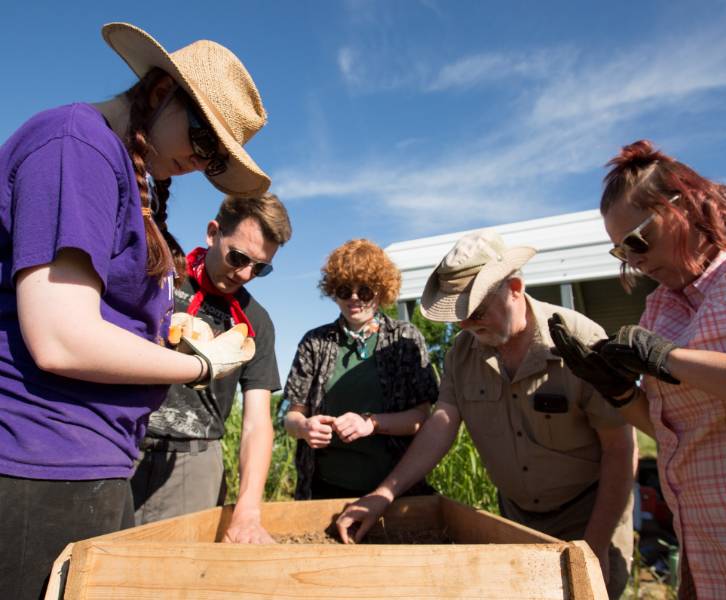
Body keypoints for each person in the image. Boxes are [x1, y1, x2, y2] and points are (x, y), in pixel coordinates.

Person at [0, 23, 268, 599]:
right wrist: (203, 366)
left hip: (94, 456)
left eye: (217, 157)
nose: (203, 161)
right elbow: (61, 338)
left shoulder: (124, 170)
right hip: (40, 456)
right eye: (204, 140)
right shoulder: (76, 145)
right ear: (160, 91)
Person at [548, 140, 726, 598]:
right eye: (622, 252)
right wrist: (621, 392)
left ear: (684, 203)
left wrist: (670, 360)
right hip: (709, 567)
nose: (635, 260)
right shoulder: (661, 307)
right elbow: (673, 431)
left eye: (639, 239)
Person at [336, 230, 636, 600]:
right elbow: (440, 426)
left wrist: (595, 543)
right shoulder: (461, 355)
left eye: (476, 312)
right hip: (515, 519)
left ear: (514, 286)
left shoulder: (580, 340)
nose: (468, 326)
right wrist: (384, 493)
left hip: (589, 516)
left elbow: (620, 447)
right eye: (458, 318)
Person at [132, 193, 291, 543]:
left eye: (260, 268)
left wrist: (248, 509)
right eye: (239, 257)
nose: (246, 274)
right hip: (125, 446)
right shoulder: (160, 277)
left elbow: (256, 422)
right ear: (212, 233)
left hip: (193, 465)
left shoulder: (256, 322)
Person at [283, 239, 439, 500]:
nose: (354, 298)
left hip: (393, 490)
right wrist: (304, 428)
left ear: (380, 291)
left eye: (364, 291)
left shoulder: (405, 339)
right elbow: (291, 417)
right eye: (345, 290)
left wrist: (372, 423)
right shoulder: (315, 342)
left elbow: (422, 418)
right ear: (333, 291)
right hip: (324, 489)